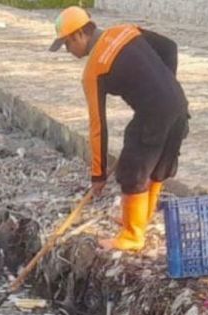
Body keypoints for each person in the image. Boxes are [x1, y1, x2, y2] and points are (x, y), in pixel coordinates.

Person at [49, 7, 189, 251]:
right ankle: (141, 219)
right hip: (178, 103)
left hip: (154, 113)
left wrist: (98, 175)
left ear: (77, 36)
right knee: (158, 165)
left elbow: (97, 126)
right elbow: (170, 47)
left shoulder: (93, 71)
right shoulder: (126, 30)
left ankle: (132, 236)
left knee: (131, 168)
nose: (68, 51)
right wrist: (165, 86)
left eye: (66, 45)